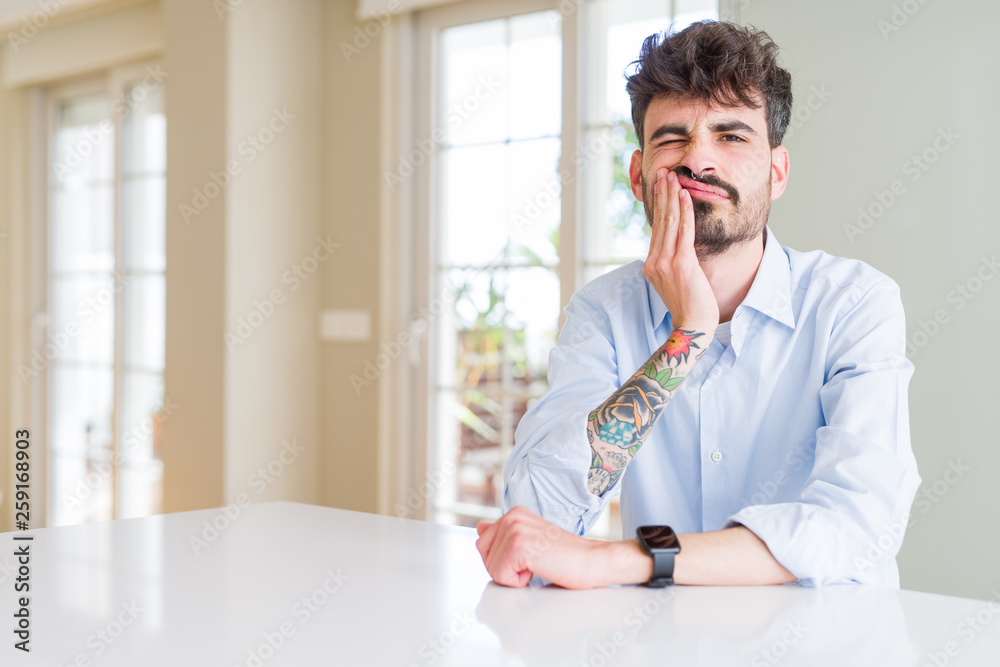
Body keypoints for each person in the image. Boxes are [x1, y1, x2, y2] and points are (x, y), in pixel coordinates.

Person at [474, 20, 921, 589]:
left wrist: (628, 559)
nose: (699, 162)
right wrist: (688, 336)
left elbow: (856, 527)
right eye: (671, 138)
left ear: (776, 172)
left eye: (731, 136)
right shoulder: (602, 312)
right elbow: (540, 513)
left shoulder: (855, 305)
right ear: (639, 176)